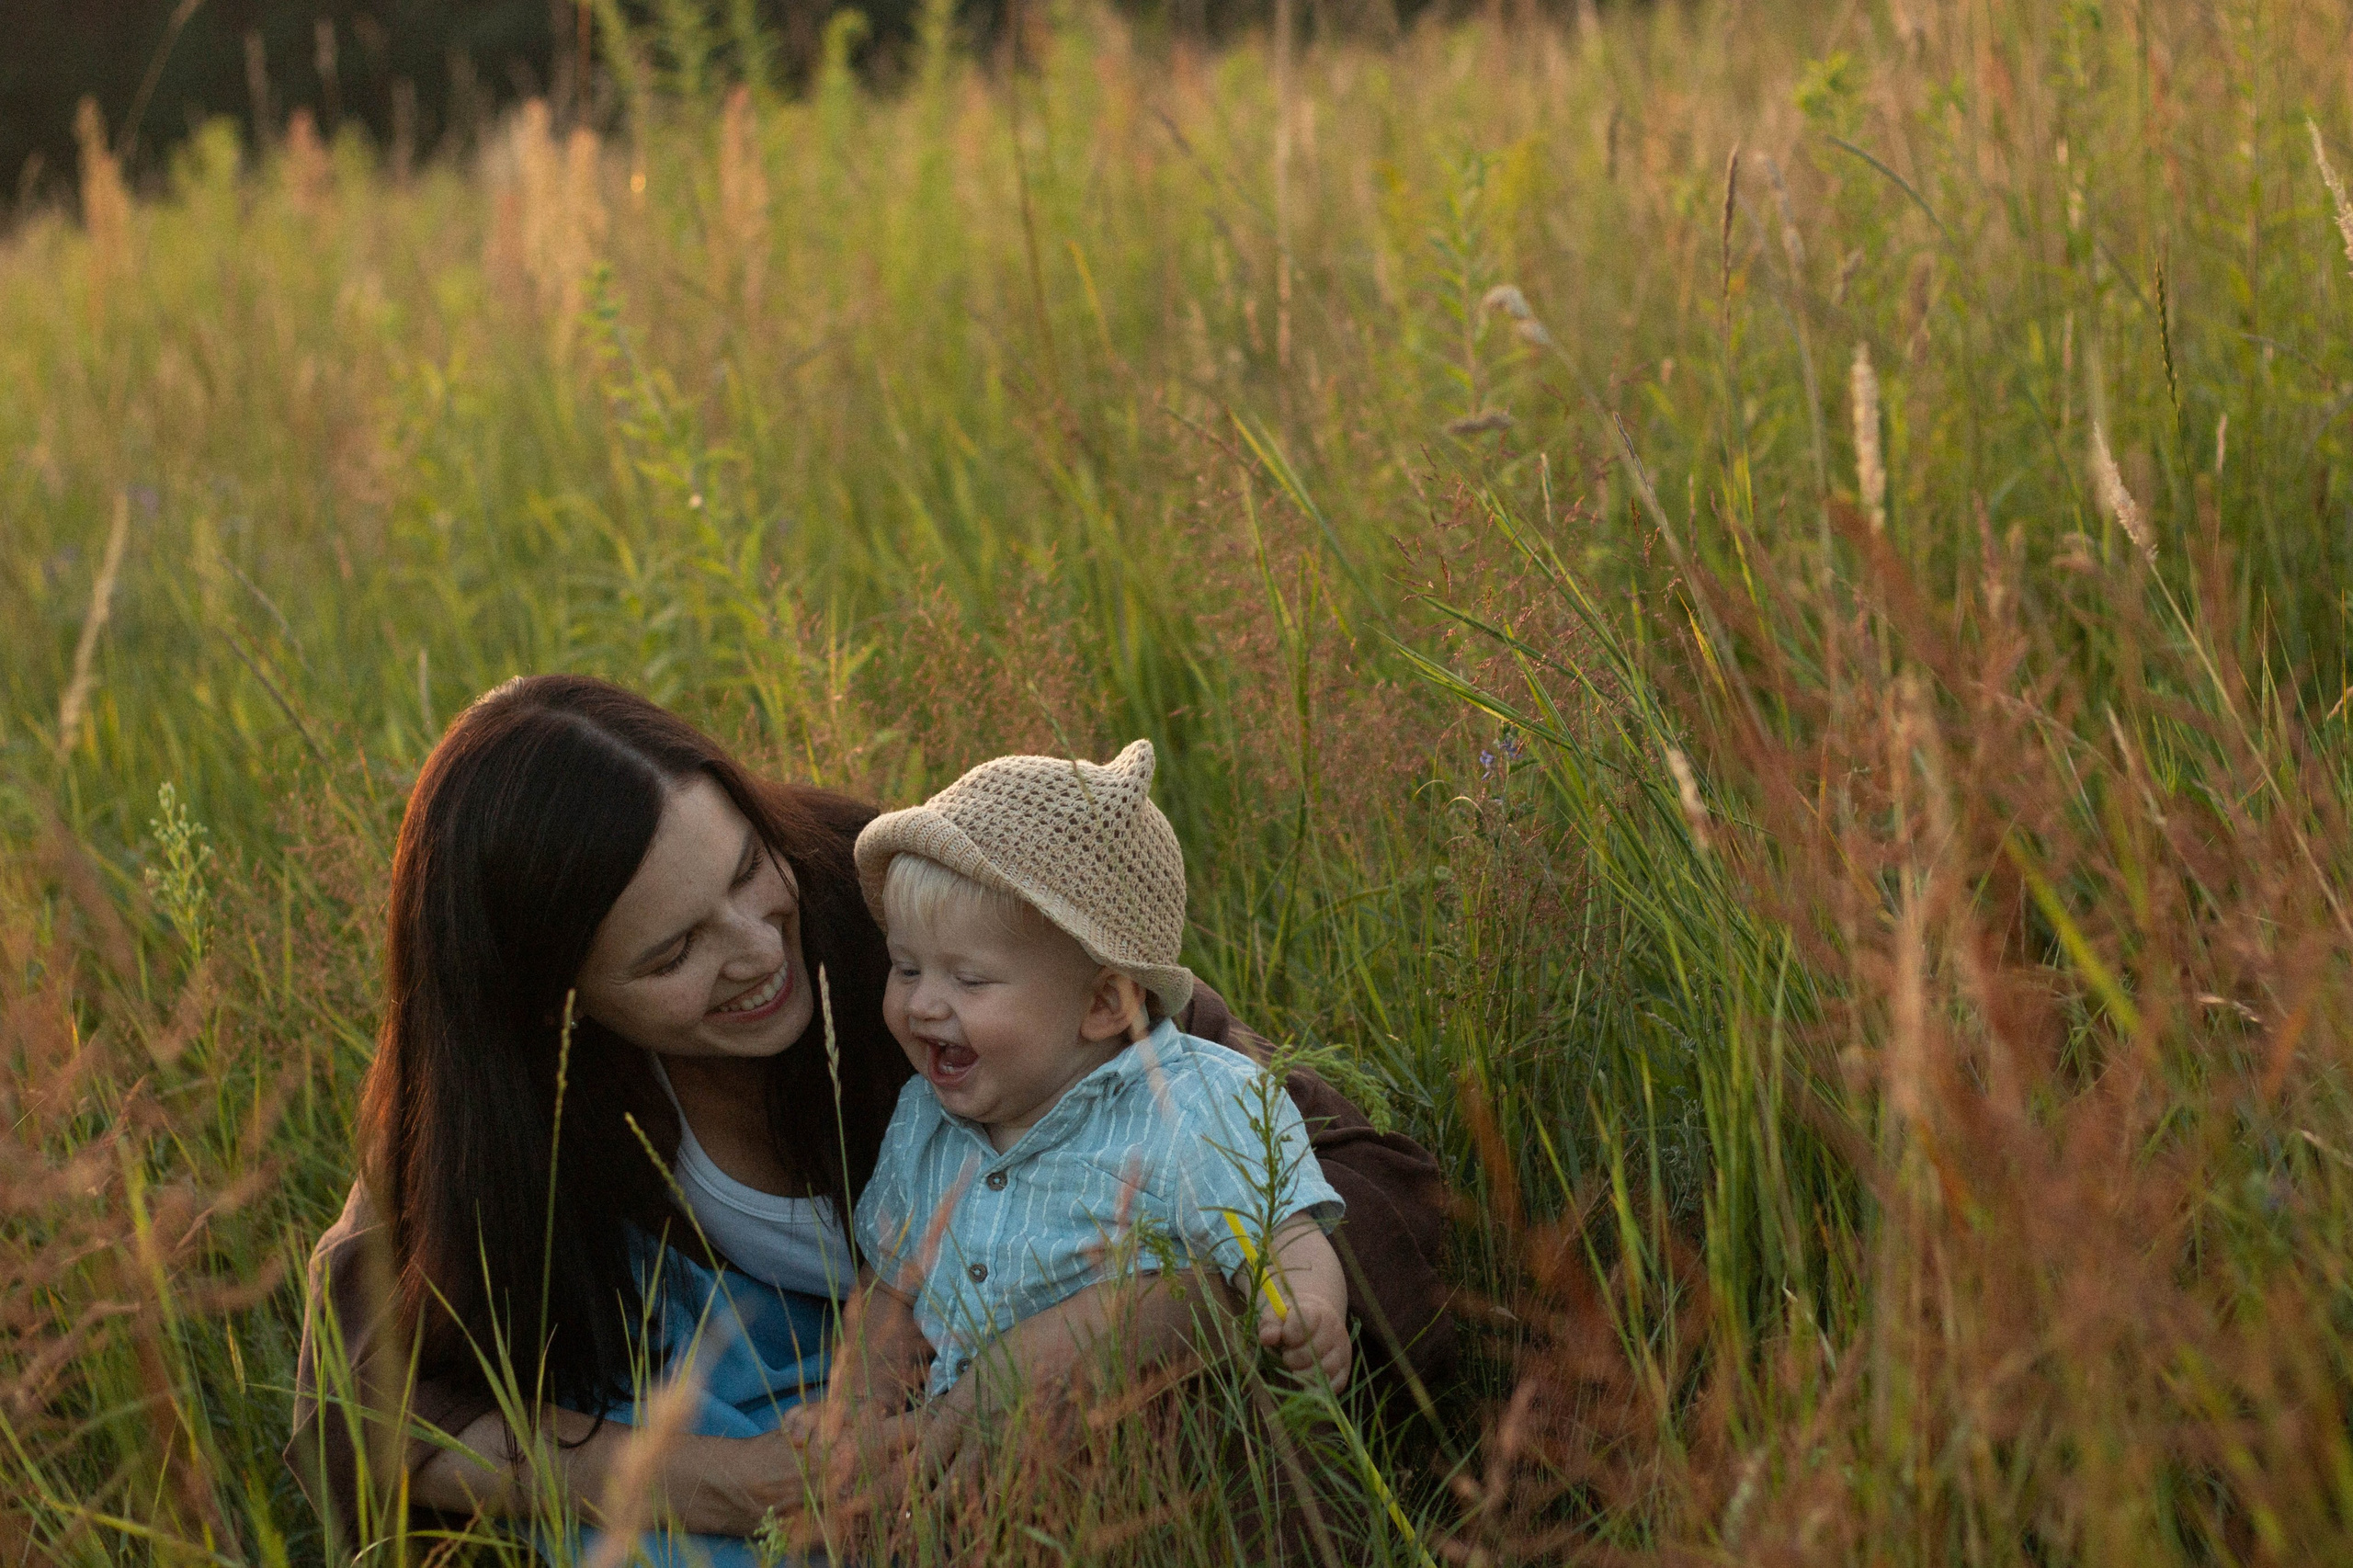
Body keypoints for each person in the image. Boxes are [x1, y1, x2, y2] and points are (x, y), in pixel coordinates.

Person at [284, 675, 1456, 1559]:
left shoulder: (917, 914)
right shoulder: (500, 1100)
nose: (757, 951)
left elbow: (1366, 1184)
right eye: (676, 950)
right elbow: (355, 1406)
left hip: (1064, 1419)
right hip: (821, 1421)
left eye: (747, 869)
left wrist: (1132, 1322)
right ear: (553, 1002)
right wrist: (697, 1476)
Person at [825, 742, 1351, 1430]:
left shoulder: (1195, 1102)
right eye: (906, 969)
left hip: (1147, 1457)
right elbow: (893, 1290)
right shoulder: (923, 1118)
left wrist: (1306, 1309)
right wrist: (854, 1412)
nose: (922, 1005)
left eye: (969, 979)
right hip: (974, 1463)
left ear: (1106, 1005)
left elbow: (1282, 1233)